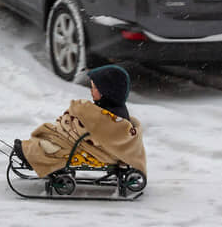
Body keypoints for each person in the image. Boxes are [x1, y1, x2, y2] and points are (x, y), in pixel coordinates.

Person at [14, 65, 146, 178]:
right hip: (88, 142)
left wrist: (76, 119)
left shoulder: (111, 116)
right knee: (53, 136)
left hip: (95, 150)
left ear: (107, 92)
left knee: (56, 148)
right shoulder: (109, 108)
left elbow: (95, 131)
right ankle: (35, 150)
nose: (91, 90)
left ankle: (34, 156)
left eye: (94, 88)